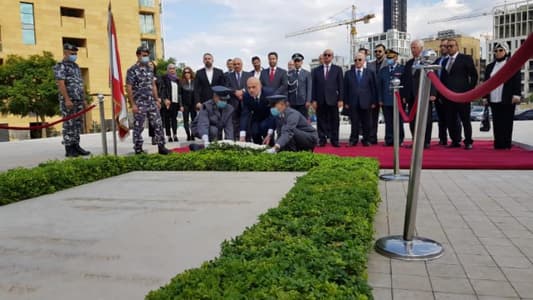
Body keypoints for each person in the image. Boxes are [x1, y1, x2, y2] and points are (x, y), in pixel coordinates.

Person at [126, 46, 170, 155]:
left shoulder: (149, 69)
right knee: (138, 127)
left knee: (158, 124)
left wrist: (157, 99)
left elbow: (153, 85)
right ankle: (138, 148)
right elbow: (129, 87)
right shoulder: (132, 70)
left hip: (151, 102)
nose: (146, 58)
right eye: (144, 55)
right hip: (139, 103)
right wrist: (133, 104)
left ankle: (161, 146)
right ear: (138, 55)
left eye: (147, 55)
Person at [53, 43, 91, 157]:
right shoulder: (60, 66)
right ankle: (69, 148)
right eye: (72, 53)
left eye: (75, 54)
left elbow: (80, 84)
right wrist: (67, 99)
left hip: (78, 99)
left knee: (77, 123)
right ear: (65, 53)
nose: (74, 55)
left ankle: (76, 145)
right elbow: (61, 83)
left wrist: (84, 99)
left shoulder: (76, 66)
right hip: (69, 100)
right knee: (69, 123)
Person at [442, 38, 479, 150]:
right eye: (447, 46)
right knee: (450, 119)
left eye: (451, 46)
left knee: (465, 119)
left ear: (457, 46)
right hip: (448, 96)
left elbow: (474, 75)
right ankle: (455, 140)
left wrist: (469, 90)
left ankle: (468, 141)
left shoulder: (465, 58)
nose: (449, 48)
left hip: (462, 95)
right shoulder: (445, 61)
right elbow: (443, 78)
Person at [484, 42, 521, 150]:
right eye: (496, 51)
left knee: (507, 122)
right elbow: (486, 82)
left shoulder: (512, 65)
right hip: (494, 97)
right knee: (496, 122)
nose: (498, 53)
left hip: (507, 97)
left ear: (506, 51)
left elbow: (517, 80)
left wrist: (517, 94)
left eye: (501, 50)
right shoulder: (490, 67)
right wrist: (485, 97)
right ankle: (498, 143)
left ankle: (506, 143)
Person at [401, 40, 433, 149]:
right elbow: (405, 80)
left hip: (424, 94)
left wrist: (432, 93)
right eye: (412, 48)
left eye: (415, 48)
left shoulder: (427, 62)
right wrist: (404, 96)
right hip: (411, 97)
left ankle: (426, 141)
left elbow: (433, 77)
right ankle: (415, 140)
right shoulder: (409, 63)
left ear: (421, 48)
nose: (413, 50)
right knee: (412, 119)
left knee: (426, 119)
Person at [344, 53, 379, 147]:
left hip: (366, 102)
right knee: (354, 122)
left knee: (367, 122)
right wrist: (346, 102)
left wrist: (374, 101)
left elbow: (374, 88)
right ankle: (353, 140)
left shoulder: (370, 73)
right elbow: (345, 89)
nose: (357, 62)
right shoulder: (348, 73)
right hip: (353, 102)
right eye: (355, 60)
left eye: (360, 60)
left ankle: (366, 140)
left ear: (364, 61)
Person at [311, 48, 344, 147]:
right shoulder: (316, 70)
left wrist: (341, 99)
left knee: (335, 120)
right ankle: (322, 139)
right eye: (325, 55)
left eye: (329, 55)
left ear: (332, 57)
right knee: (320, 120)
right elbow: (313, 86)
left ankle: (335, 140)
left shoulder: (337, 69)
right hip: (320, 99)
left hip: (333, 99)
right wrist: (313, 100)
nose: (326, 57)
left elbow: (341, 85)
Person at [378, 49, 405, 146]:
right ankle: (389, 139)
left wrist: (404, 98)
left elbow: (405, 84)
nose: (389, 60)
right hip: (386, 100)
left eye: (391, 58)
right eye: (388, 58)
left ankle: (399, 139)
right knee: (388, 121)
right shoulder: (383, 70)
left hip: (398, 100)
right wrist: (380, 99)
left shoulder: (402, 69)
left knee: (398, 121)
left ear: (396, 58)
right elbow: (379, 86)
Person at [431, 39, 453, 146]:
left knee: (452, 117)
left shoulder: (452, 60)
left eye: (445, 46)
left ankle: (455, 139)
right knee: (441, 118)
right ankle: (442, 139)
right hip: (437, 94)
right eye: (441, 46)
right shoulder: (436, 61)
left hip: (450, 93)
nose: (443, 48)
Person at [240, 77, 275, 145]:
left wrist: (270, 132)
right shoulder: (246, 96)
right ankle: (258, 149)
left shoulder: (269, 93)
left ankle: (271, 147)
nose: (251, 90)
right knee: (254, 132)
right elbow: (245, 114)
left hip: (269, 118)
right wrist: (242, 134)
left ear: (260, 86)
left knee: (264, 127)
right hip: (256, 118)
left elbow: (273, 113)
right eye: (249, 87)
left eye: (254, 87)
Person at [225, 57, 251, 140]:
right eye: (234, 64)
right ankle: (236, 140)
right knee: (234, 123)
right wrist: (235, 92)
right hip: (233, 102)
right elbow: (227, 87)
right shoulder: (228, 76)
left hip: (246, 102)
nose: (236, 66)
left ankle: (247, 140)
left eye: (238, 64)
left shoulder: (248, 75)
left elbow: (252, 86)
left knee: (247, 122)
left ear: (242, 64)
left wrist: (242, 91)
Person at [367, 44, 387, 144]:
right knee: (373, 118)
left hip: (385, 95)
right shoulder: (369, 65)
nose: (377, 53)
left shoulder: (388, 63)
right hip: (373, 95)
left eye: (380, 51)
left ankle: (389, 139)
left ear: (384, 52)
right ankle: (372, 138)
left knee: (388, 118)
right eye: (376, 51)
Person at [159, 64, 181, 142]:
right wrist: (165, 99)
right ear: (168, 70)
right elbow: (162, 89)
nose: (172, 70)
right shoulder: (164, 78)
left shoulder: (177, 79)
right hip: (167, 102)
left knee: (174, 119)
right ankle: (169, 136)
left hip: (175, 102)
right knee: (167, 120)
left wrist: (180, 104)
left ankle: (175, 134)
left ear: (175, 70)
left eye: (173, 68)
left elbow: (179, 93)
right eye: (170, 68)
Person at [287, 53, 312, 118]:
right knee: (293, 120)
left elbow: (309, 88)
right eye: (295, 61)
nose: (297, 63)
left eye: (298, 61)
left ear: (302, 62)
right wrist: (287, 100)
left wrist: (308, 101)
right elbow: (287, 88)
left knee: (303, 121)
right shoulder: (289, 73)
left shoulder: (307, 74)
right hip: (292, 102)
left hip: (303, 102)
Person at [180, 67, 196, 141]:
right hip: (185, 104)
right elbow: (179, 94)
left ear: (191, 73)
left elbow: (197, 93)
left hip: (193, 104)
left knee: (194, 120)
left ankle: (193, 134)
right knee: (185, 120)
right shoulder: (181, 82)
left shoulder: (195, 81)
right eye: (185, 72)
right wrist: (181, 105)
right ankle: (188, 135)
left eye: (188, 72)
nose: (187, 74)